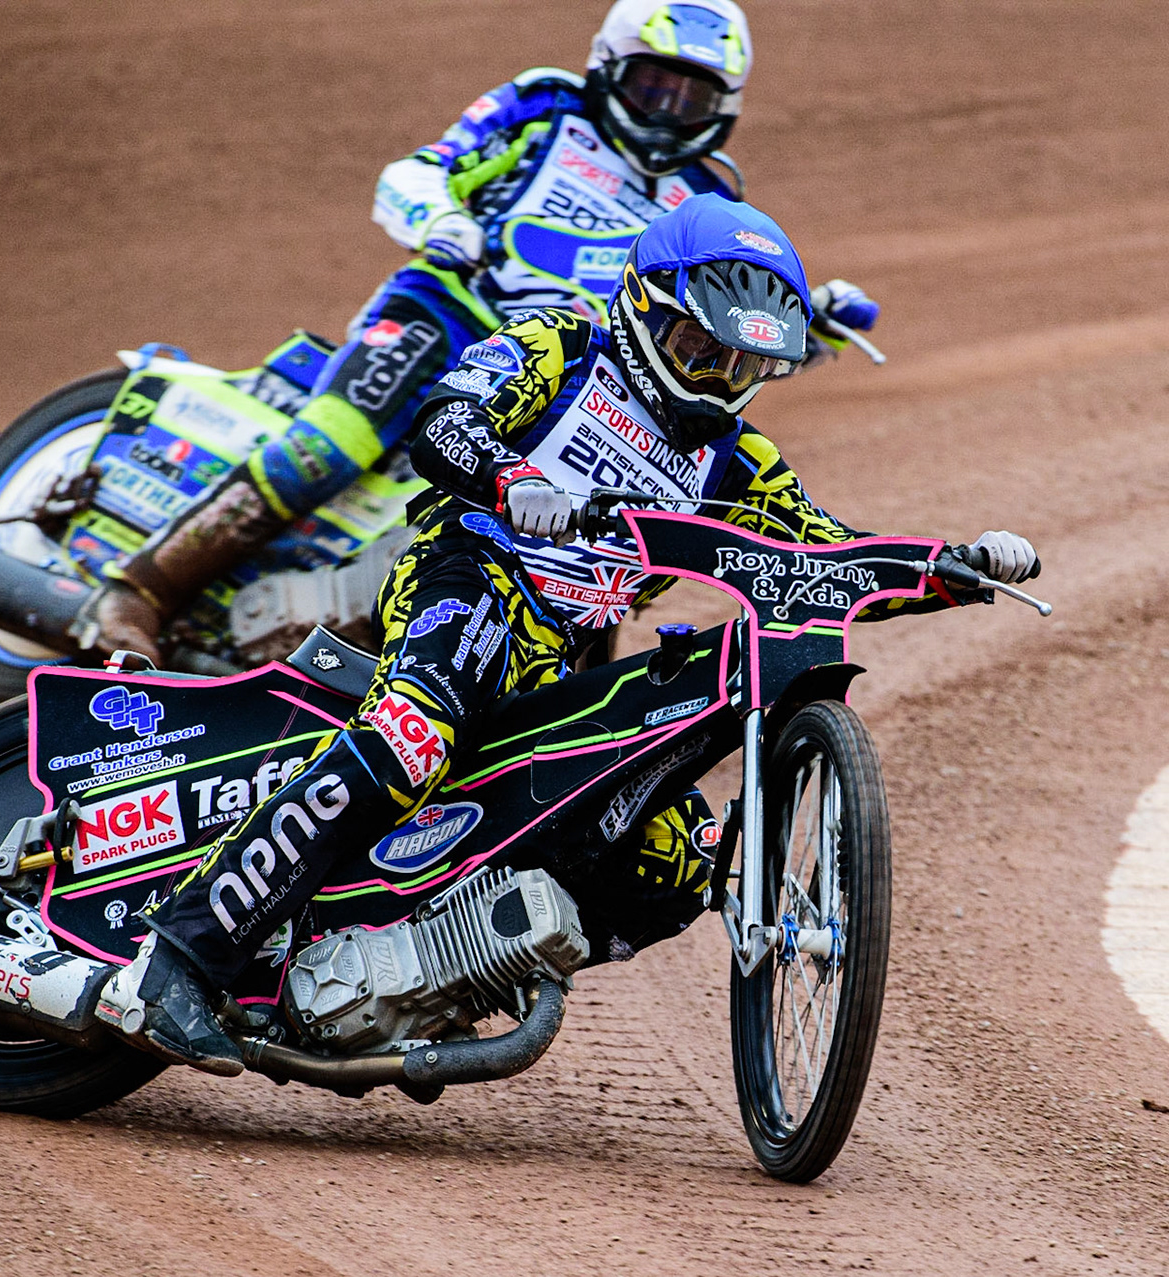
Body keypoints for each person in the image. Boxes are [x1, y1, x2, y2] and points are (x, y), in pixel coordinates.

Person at [94, 195, 1040, 1073]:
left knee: (673, 864)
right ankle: (180, 957)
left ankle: (434, 972)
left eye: (744, 367)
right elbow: (444, 423)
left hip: (567, 647)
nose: (720, 382)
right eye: (702, 351)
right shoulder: (562, 346)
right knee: (413, 737)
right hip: (470, 569)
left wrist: (950, 569)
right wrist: (511, 482)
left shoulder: (739, 459)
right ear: (646, 303)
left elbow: (826, 555)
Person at [72, 0, 882, 662]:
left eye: (693, 98)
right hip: (455, 312)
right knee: (331, 444)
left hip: (576, 374)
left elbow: (704, 331)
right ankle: (138, 594)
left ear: (725, 109)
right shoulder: (542, 110)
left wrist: (807, 325)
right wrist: (445, 219)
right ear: (608, 67)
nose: (669, 113)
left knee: (611, 534)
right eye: (652, 87)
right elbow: (417, 172)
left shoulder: (706, 192)